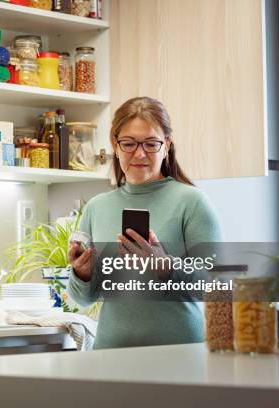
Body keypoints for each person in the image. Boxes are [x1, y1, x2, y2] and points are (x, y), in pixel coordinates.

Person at [68, 96, 223, 349]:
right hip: (111, 357)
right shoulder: (97, 207)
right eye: (128, 143)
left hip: (178, 357)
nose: (139, 153)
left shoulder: (192, 202)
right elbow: (83, 299)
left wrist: (167, 268)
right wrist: (81, 274)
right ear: (115, 146)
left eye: (151, 144)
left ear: (167, 145)